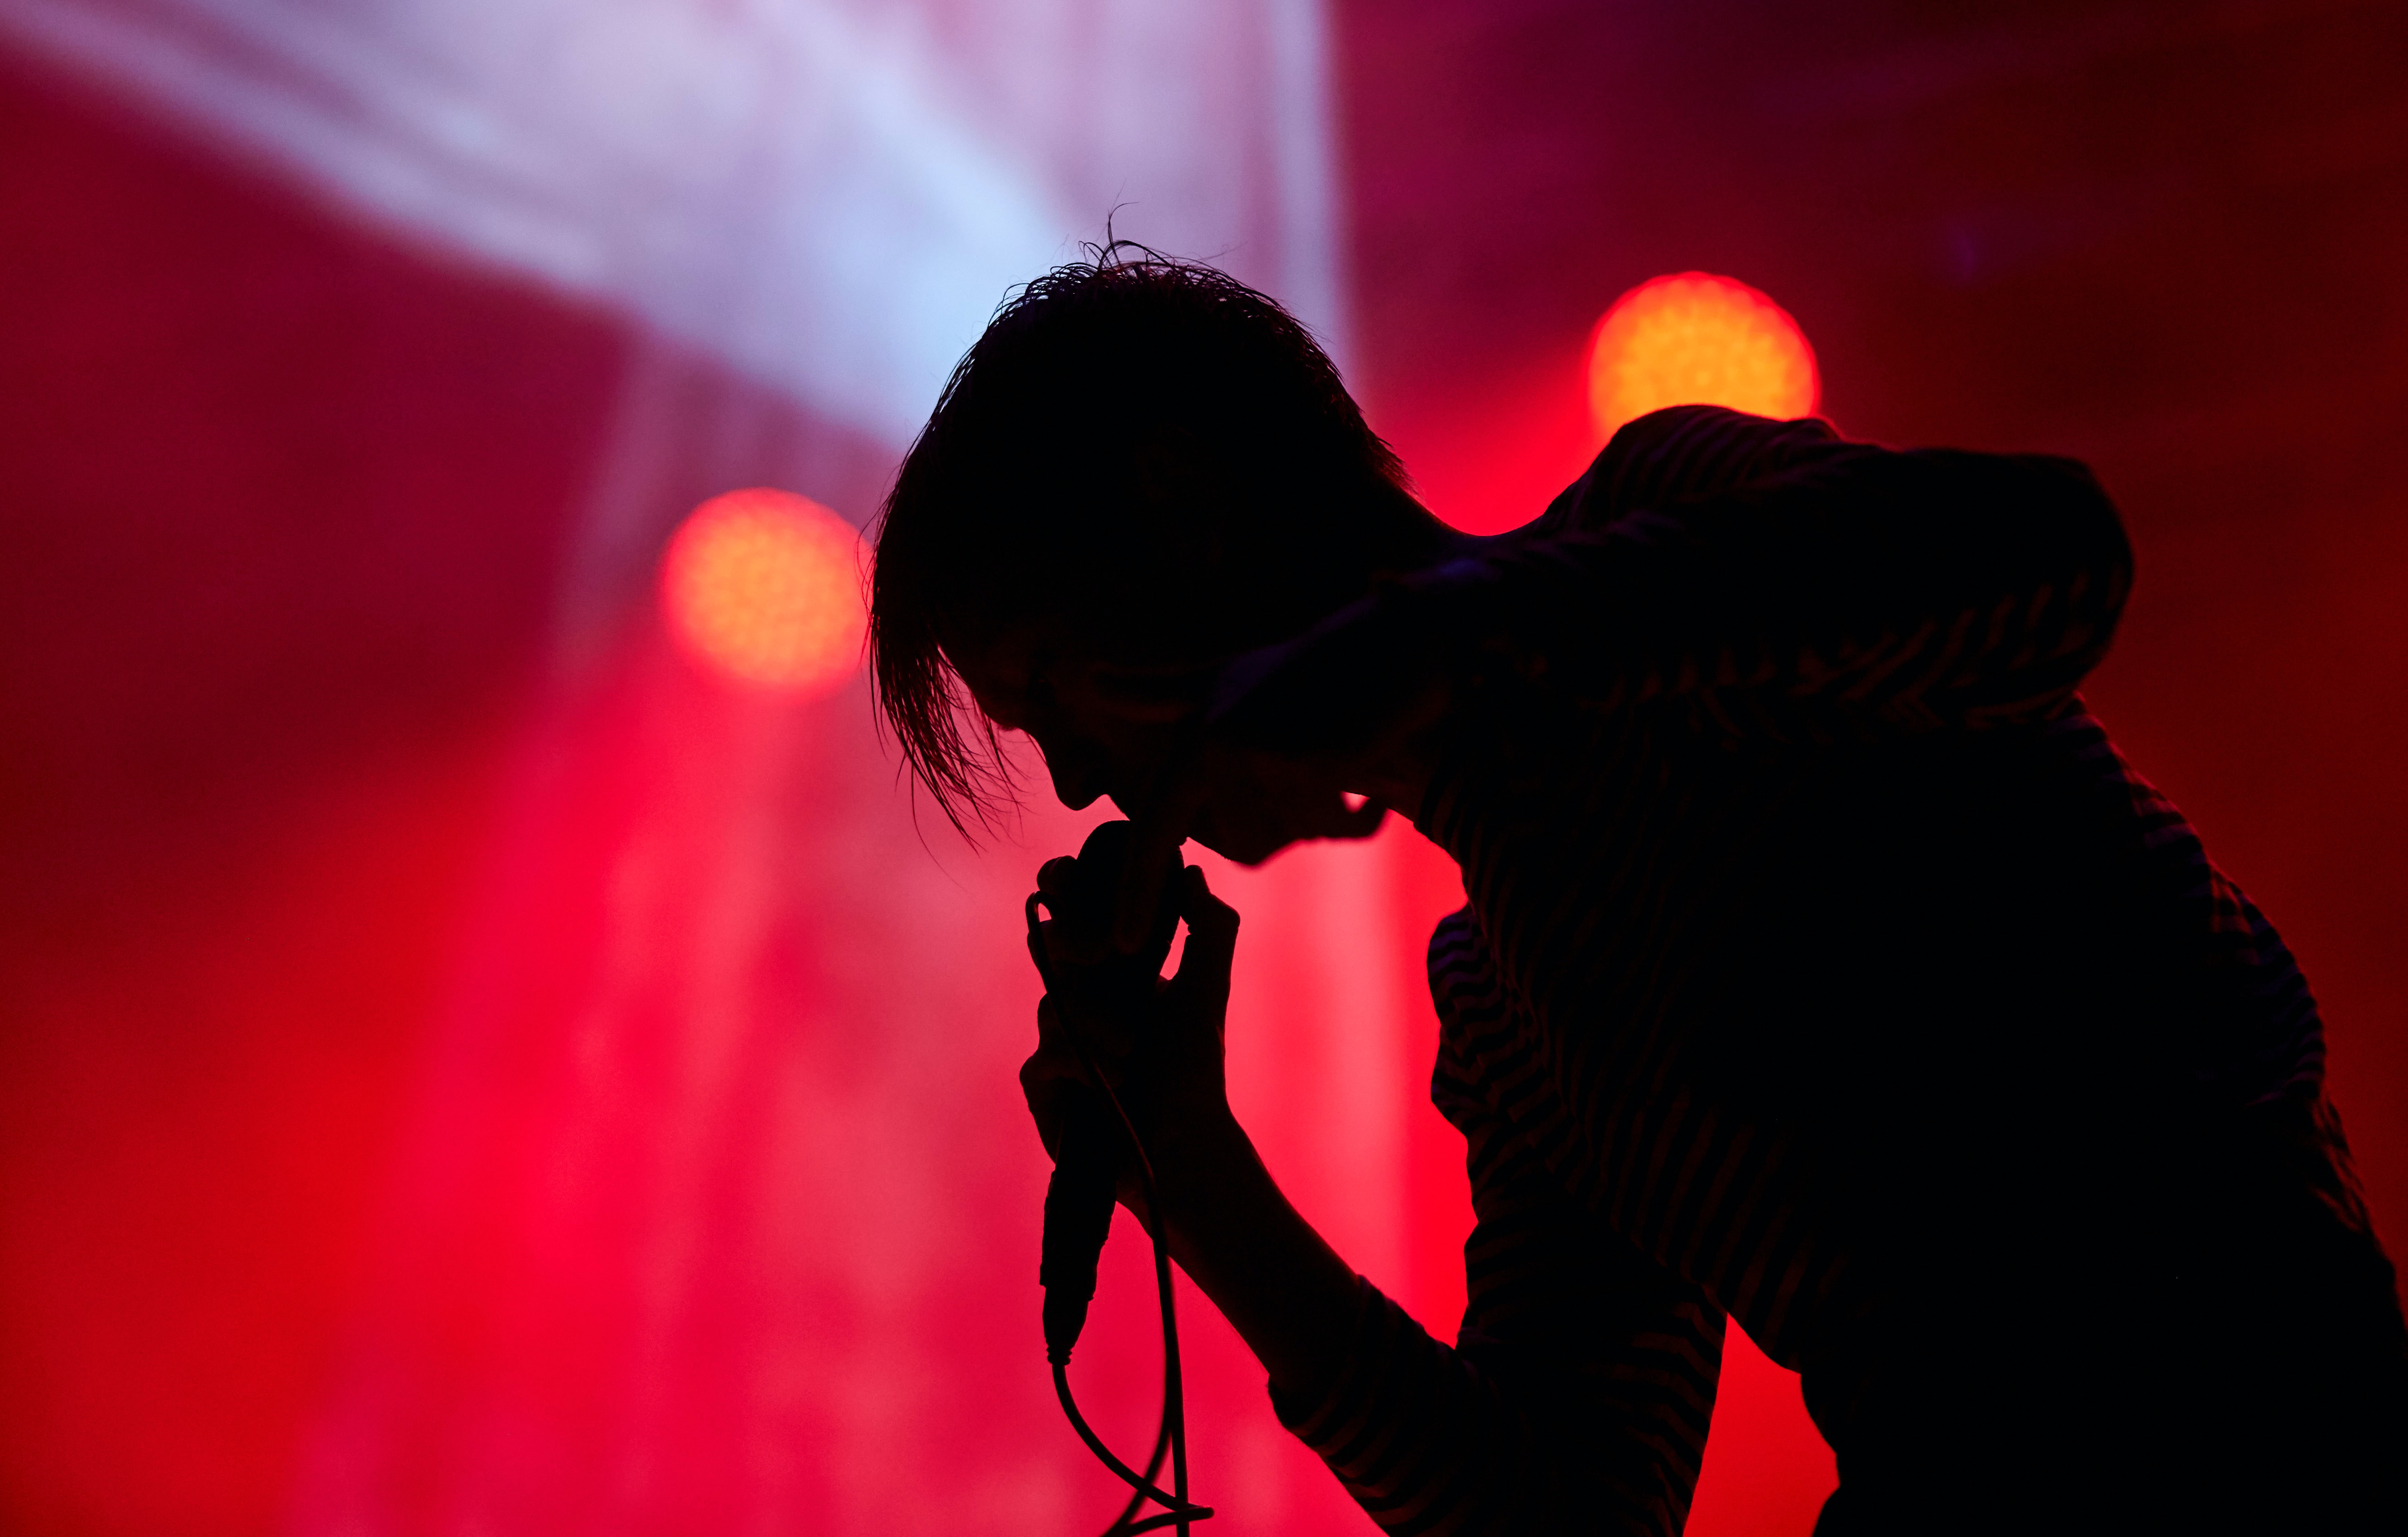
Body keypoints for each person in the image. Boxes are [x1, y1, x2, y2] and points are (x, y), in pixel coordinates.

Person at [867, 247, 2408, 1533]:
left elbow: (2051, 558)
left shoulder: (1658, 517)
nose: (1074, 781)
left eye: (1053, 688)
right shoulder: (1504, 1011)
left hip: (2272, 1412)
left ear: (1185, 507)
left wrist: (1451, 645)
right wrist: (1205, 1192)